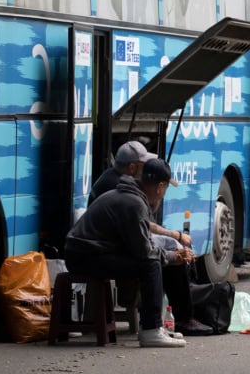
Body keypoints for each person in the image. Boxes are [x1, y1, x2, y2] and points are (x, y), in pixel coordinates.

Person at [88, 142, 211, 335]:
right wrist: (173, 249)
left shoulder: (123, 185)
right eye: (142, 165)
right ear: (132, 167)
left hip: (107, 245)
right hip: (97, 252)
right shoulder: (122, 190)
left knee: (164, 253)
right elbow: (143, 241)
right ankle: (155, 327)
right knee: (156, 259)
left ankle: (171, 320)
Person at [64, 158, 190, 348]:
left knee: (155, 259)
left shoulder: (128, 196)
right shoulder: (133, 204)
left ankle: (154, 325)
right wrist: (174, 257)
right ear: (160, 187)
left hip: (87, 252)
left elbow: (140, 243)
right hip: (84, 257)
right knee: (151, 264)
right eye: (165, 189)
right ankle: (150, 330)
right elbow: (145, 253)